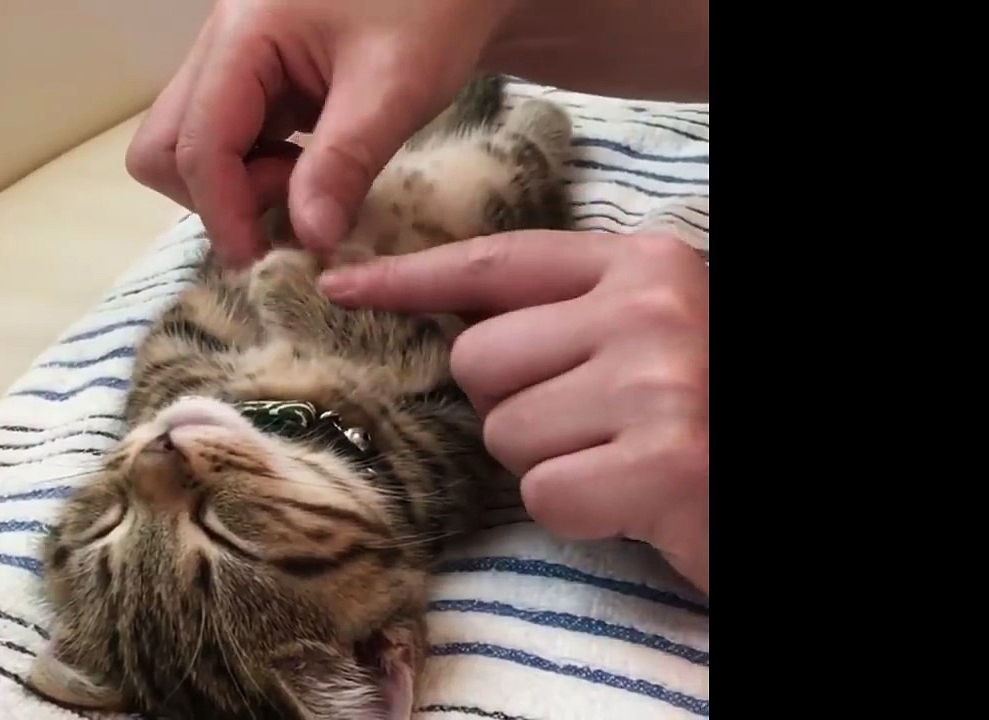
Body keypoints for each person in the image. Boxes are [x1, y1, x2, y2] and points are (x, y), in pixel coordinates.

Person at [124, 0, 709, 595]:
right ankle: (514, 131)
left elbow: (189, 328)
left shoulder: (169, 416)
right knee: (491, 184)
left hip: (313, 233)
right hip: (441, 246)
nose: (154, 468)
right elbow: (460, 413)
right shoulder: (414, 490)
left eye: (108, 522)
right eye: (221, 537)